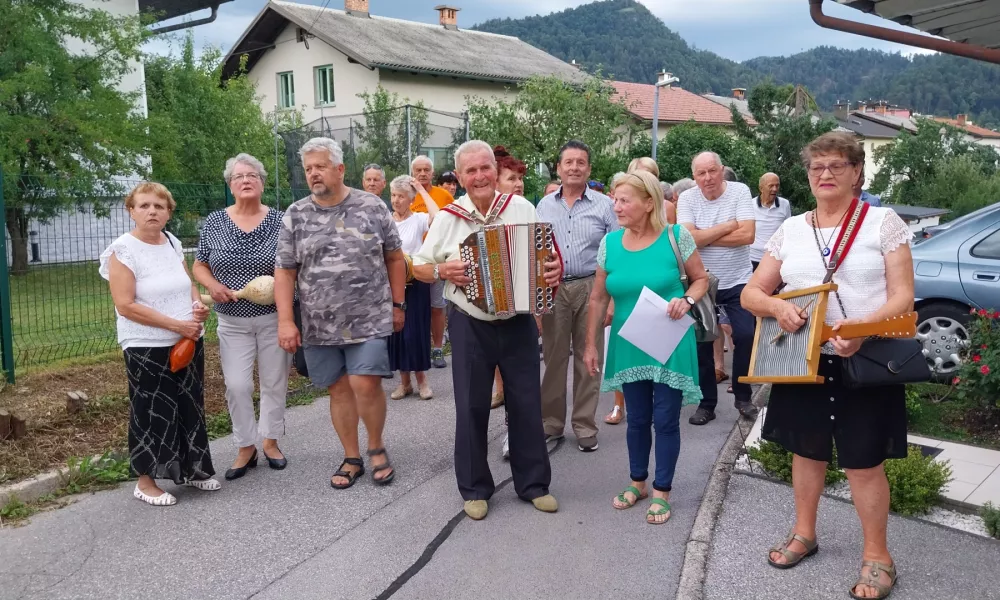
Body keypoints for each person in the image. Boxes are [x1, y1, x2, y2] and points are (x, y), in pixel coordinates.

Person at [741, 131, 913, 600]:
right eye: (817, 167)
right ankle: (804, 533)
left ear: (857, 172)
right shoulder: (791, 228)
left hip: (865, 359)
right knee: (806, 452)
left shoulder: (883, 222)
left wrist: (860, 329)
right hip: (801, 359)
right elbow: (751, 293)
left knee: (864, 463)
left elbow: (902, 296)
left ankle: (878, 556)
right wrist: (777, 308)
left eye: (837, 165)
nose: (825, 174)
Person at [411, 140, 561, 521]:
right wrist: (442, 271)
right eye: (470, 171)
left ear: (495, 171)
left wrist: (552, 271)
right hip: (468, 322)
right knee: (471, 404)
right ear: (459, 177)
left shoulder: (521, 208)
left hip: (517, 319)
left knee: (527, 401)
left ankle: (533, 485)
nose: (479, 176)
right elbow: (419, 265)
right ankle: (476, 488)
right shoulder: (448, 216)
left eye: (485, 169)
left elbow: (547, 259)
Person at [275, 137, 406, 489]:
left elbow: (395, 257)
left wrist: (397, 304)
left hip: (369, 316)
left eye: (320, 166)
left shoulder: (372, 207)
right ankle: (352, 456)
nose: (314, 174)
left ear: (340, 168)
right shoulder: (296, 214)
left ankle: (376, 446)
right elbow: (285, 271)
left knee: (365, 383)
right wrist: (286, 320)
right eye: (308, 169)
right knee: (338, 390)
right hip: (319, 323)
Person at [582, 169, 707, 525]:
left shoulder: (675, 237)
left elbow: (701, 279)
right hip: (629, 341)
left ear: (648, 202)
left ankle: (662, 490)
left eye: (624, 200)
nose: (616, 207)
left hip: (669, 341)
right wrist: (591, 344)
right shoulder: (610, 244)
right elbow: (597, 298)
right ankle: (637, 482)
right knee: (636, 419)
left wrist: (686, 299)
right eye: (615, 200)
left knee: (665, 419)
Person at [100, 182, 218, 506]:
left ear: (168, 212)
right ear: (131, 211)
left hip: (187, 338)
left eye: (159, 206)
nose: (152, 211)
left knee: (189, 404)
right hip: (145, 344)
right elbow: (125, 305)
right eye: (144, 205)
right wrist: (175, 324)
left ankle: (193, 469)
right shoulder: (122, 251)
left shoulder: (171, 241)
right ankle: (146, 481)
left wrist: (197, 308)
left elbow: (187, 285)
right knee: (151, 410)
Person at [193, 154, 291, 481]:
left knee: (274, 383)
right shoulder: (215, 222)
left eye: (252, 175)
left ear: (262, 182)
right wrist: (212, 285)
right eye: (238, 177)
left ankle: (271, 442)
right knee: (236, 386)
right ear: (230, 185)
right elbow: (199, 264)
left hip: (273, 317)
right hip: (232, 320)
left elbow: (293, 265)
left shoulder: (280, 221)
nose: (245, 180)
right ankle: (245, 445)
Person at [537, 140, 619, 453]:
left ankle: (585, 426)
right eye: (568, 162)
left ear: (589, 168)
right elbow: (536, 251)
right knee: (554, 359)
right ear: (558, 168)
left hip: (592, 288)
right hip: (553, 288)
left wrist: (611, 298)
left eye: (580, 162)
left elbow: (617, 251)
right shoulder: (544, 206)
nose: (574, 167)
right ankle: (551, 425)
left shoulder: (604, 206)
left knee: (589, 358)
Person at [677, 152, 758, 424]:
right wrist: (727, 226)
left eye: (712, 171)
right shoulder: (688, 198)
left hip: (738, 278)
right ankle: (706, 404)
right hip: (701, 280)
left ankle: (743, 396)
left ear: (722, 170)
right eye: (701, 173)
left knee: (746, 334)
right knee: (702, 343)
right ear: (694, 177)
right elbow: (687, 240)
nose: (708, 178)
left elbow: (748, 235)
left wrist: (704, 236)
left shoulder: (739, 191)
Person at [387, 175, 438, 401]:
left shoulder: (418, 219)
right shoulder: (386, 221)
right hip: (391, 284)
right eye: (393, 195)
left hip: (415, 282)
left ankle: (422, 381)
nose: (396, 200)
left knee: (415, 332)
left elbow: (438, 216)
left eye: (401, 196)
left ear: (410, 199)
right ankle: (404, 383)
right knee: (397, 334)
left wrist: (420, 188)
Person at [490, 146, 528, 415]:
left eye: (520, 178)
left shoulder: (526, 210)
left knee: (520, 367)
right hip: (491, 304)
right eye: (511, 179)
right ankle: (500, 389)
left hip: (523, 306)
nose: (518, 184)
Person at [410, 155, 455, 369]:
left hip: (436, 259)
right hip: (413, 262)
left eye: (426, 170)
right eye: (418, 170)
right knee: (418, 308)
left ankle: (438, 349)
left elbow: (454, 222)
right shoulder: (408, 195)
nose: (422, 174)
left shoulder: (443, 195)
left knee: (438, 306)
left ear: (432, 172)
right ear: (412, 173)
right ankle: (419, 349)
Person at [750, 172, 791, 272]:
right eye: (771, 186)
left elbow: (788, 230)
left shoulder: (784, 204)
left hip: (775, 259)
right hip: (753, 259)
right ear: (761, 188)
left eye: (777, 185)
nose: (775, 189)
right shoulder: (750, 205)